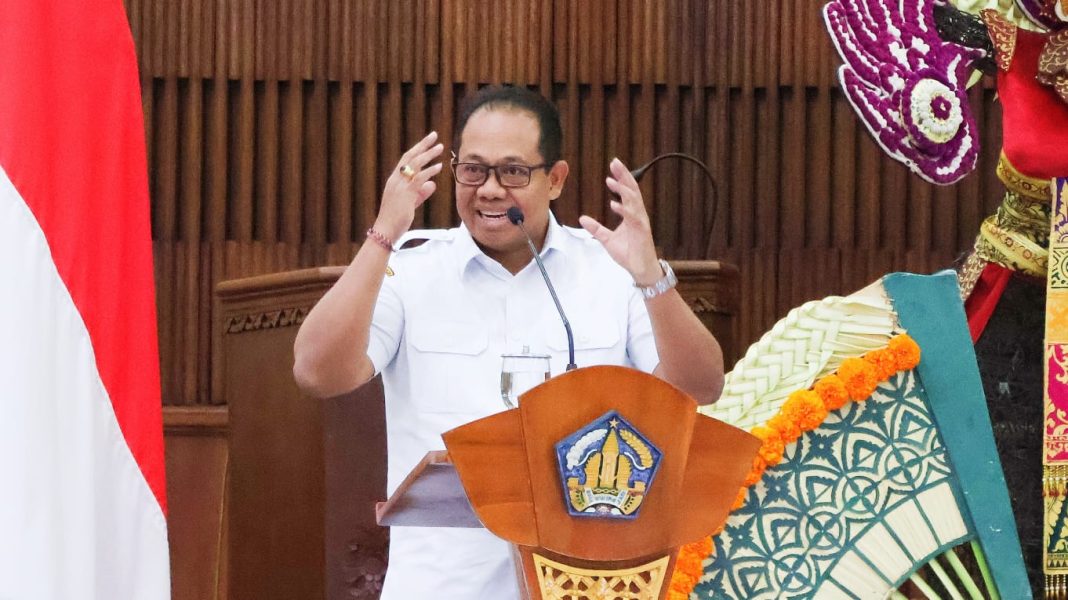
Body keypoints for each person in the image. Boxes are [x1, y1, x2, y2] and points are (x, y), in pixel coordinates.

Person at [292, 85, 724, 599]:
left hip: (581, 585)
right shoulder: (411, 271)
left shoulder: (611, 269)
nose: (490, 190)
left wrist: (651, 277)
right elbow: (317, 373)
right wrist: (385, 233)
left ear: (555, 179)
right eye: (473, 170)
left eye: (513, 172)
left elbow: (701, 387)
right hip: (440, 587)